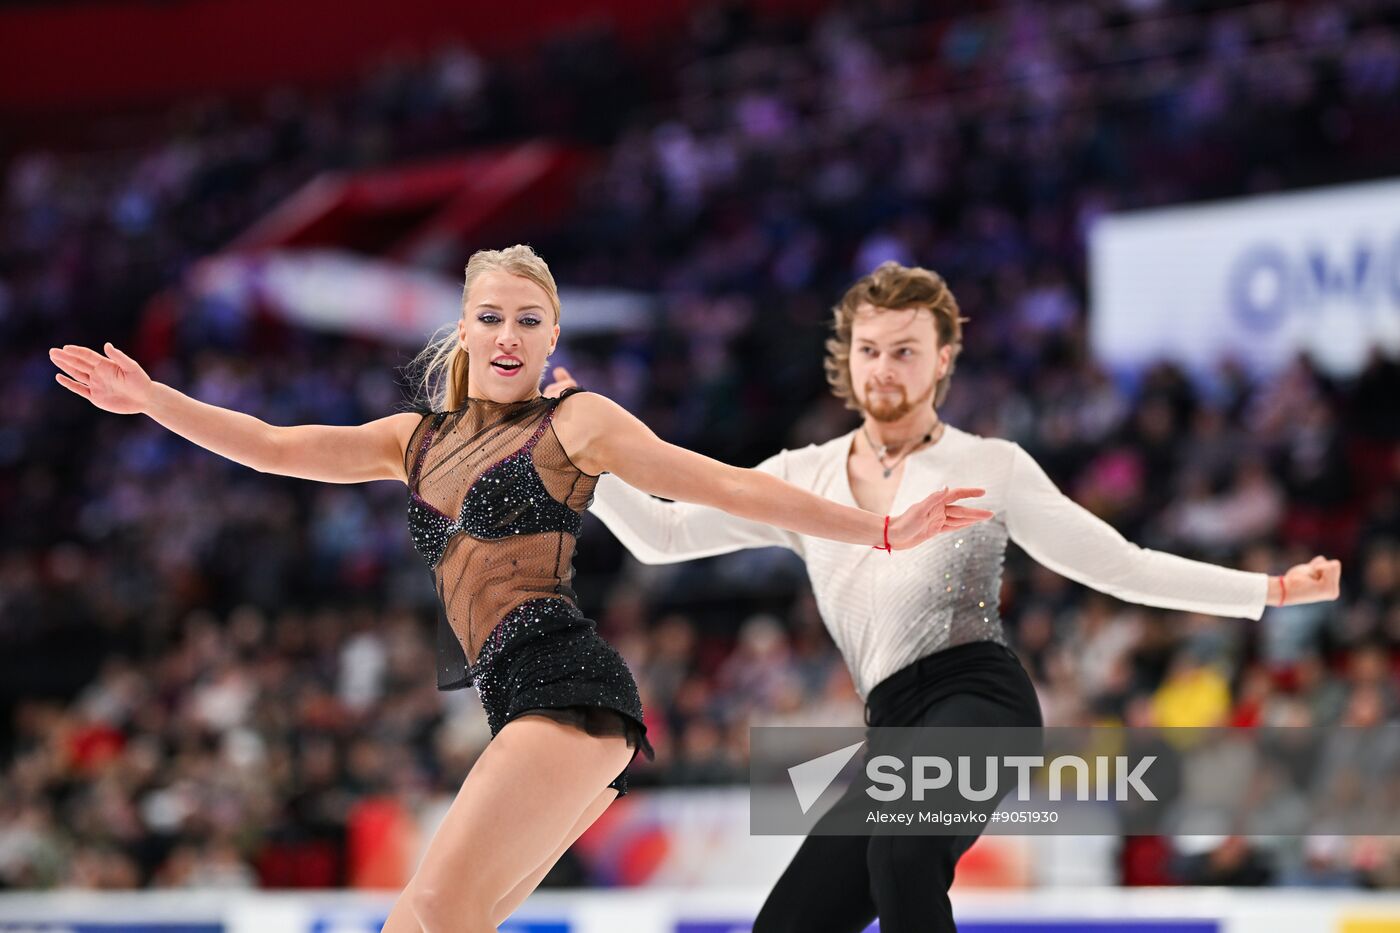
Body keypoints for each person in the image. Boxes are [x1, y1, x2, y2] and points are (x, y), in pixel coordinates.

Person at [47, 245, 992, 933]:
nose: (508, 334)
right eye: (491, 316)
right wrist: (153, 399)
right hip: (522, 706)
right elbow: (273, 444)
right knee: (430, 926)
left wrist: (876, 526)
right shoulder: (409, 439)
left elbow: (723, 481)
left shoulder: (577, 420)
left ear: (551, 339)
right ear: (464, 327)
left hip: (564, 690)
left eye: (529, 319)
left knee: (430, 910)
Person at [546, 259, 1343, 933]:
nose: (884, 368)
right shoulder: (802, 476)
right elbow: (662, 536)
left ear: (944, 358)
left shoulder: (991, 465)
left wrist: (1267, 589)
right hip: (889, 726)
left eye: (905, 350)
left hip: (980, 700)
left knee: (901, 848)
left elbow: (1119, 564)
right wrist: (583, 457)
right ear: (846, 358)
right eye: (869, 349)